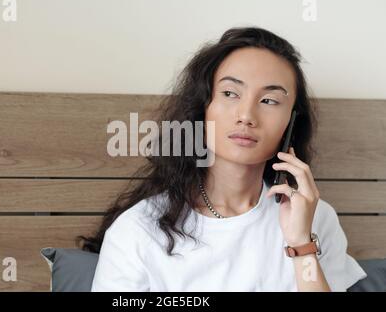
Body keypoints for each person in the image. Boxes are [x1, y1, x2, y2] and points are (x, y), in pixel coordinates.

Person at [78, 26, 367, 291]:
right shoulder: (138, 230)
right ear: (202, 109)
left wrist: (302, 244)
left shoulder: (317, 220)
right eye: (230, 93)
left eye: (269, 100)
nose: (246, 116)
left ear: (290, 124)